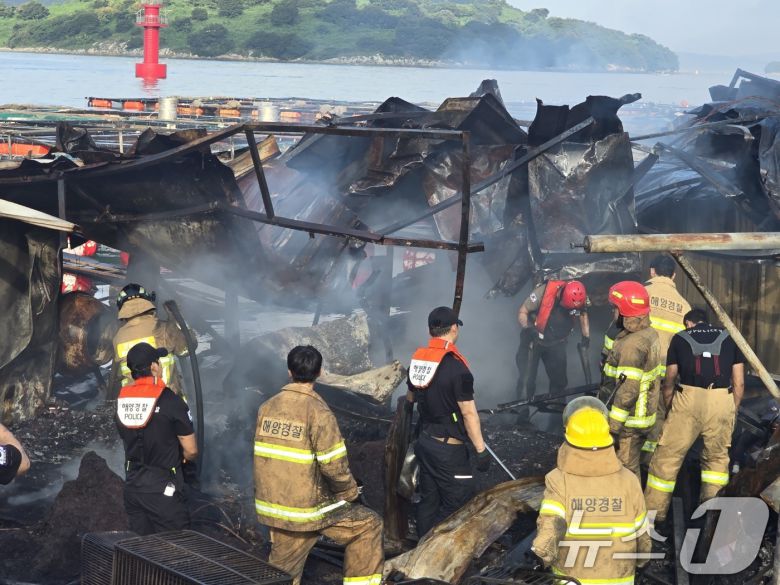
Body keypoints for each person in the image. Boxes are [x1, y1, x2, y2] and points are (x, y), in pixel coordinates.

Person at [254, 345, 383, 585]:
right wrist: (350, 493)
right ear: (320, 372)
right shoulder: (319, 413)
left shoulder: (267, 407)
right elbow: (334, 467)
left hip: (274, 506)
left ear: (289, 371)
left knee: (282, 574)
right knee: (368, 524)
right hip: (308, 509)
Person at [532, 397, 651, 585]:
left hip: (572, 580)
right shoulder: (629, 480)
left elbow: (551, 528)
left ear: (568, 438)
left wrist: (540, 558)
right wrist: (643, 561)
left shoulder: (558, 480)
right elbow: (642, 533)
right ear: (607, 438)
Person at [645, 308, 744, 525]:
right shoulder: (729, 337)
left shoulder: (680, 338)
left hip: (688, 399)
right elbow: (739, 382)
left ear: (689, 323)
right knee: (717, 460)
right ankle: (711, 517)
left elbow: (669, 380)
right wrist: (732, 409)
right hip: (722, 399)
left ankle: (654, 516)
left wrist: (671, 408)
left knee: (667, 457)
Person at [406, 306, 490, 538]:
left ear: (430, 330)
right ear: (454, 328)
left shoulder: (418, 361)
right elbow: (469, 413)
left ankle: (422, 546)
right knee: (458, 504)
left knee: (429, 499)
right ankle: (438, 548)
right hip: (448, 451)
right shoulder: (457, 368)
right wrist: (481, 451)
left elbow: (411, 399)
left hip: (425, 442)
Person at [115, 342, 198, 535]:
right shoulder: (170, 401)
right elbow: (191, 450)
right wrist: (183, 459)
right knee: (177, 545)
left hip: (133, 488)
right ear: (153, 367)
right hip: (163, 491)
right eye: (158, 362)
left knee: (142, 546)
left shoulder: (122, 402)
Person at [599, 281, 663, 477]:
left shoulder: (632, 345)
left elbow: (628, 390)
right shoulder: (647, 332)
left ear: (624, 311)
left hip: (630, 422)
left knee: (624, 471)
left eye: (615, 309)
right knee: (631, 466)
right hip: (642, 415)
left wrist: (613, 428)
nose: (613, 313)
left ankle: (631, 498)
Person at [640, 255, 691, 460]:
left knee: (634, 414)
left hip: (640, 368)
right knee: (659, 415)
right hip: (666, 374)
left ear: (652, 271)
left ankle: (629, 458)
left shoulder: (641, 293)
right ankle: (650, 460)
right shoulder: (685, 307)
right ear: (674, 275)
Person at [111, 283, 192, 397]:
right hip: (166, 399)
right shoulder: (162, 328)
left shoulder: (118, 338)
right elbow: (187, 349)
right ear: (147, 301)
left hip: (135, 402)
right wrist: (176, 319)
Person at [516, 280, 590, 402]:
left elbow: (583, 313)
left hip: (557, 343)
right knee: (527, 379)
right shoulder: (543, 292)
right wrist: (528, 328)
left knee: (559, 381)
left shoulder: (580, 298)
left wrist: (586, 336)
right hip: (533, 340)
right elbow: (522, 312)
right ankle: (521, 410)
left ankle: (556, 408)